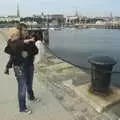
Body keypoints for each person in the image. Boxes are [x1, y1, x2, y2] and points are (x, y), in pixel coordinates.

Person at [4, 23, 39, 114]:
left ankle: (31, 97)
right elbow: (8, 50)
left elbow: (36, 51)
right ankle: (22, 108)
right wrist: (8, 66)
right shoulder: (14, 42)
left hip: (29, 66)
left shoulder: (29, 40)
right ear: (19, 31)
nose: (26, 31)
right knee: (22, 88)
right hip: (19, 67)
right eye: (24, 30)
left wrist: (28, 52)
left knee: (29, 85)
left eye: (27, 30)